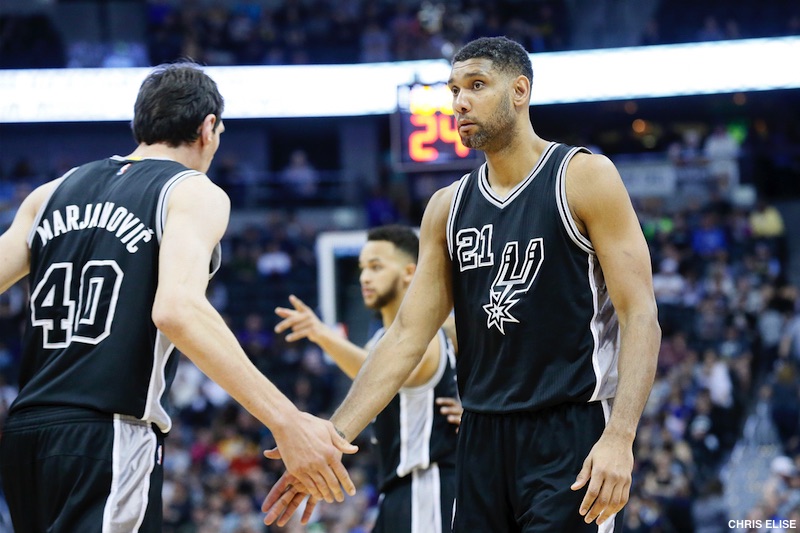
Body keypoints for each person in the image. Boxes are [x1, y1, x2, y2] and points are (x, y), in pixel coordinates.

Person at [264, 36, 660, 532]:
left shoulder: (583, 177)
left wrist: (621, 437)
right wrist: (333, 434)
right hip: (479, 439)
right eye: (454, 90)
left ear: (520, 91)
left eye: (476, 85)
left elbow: (640, 313)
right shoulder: (447, 207)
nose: (460, 102)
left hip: (569, 430)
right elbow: (407, 334)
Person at [0, 61, 356, 533]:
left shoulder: (49, 194)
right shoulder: (191, 191)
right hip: (108, 431)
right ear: (208, 128)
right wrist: (286, 419)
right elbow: (176, 309)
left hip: (26, 434)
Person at [266, 225, 462, 531]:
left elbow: (382, 374)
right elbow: (369, 374)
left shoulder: (428, 335)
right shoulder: (382, 343)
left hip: (428, 485)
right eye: (361, 268)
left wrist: (479, 407)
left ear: (410, 273)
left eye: (376, 267)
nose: (364, 277)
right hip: (397, 491)